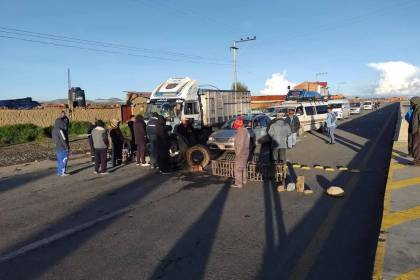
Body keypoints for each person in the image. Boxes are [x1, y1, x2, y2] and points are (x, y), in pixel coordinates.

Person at [232, 117, 250, 188]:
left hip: (241, 152)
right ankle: (244, 180)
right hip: (246, 151)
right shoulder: (245, 130)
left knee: (238, 168)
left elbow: (240, 144)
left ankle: (238, 183)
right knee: (243, 166)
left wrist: (238, 154)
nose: (235, 127)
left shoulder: (240, 132)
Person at [409, 96, 420, 164]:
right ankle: (416, 160)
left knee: (417, 147)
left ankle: (417, 161)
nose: (411, 104)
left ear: (416, 102)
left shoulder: (419, 110)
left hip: (417, 131)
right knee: (415, 146)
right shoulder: (415, 109)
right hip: (415, 130)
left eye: (412, 103)